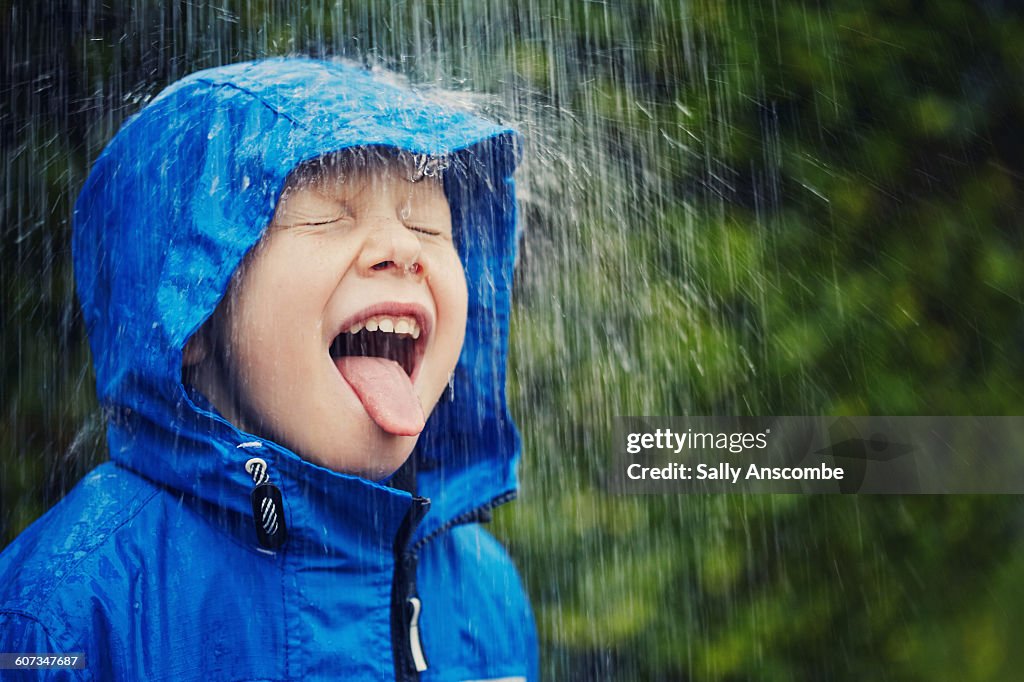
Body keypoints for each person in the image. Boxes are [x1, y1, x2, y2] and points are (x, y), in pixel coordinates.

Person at [0, 58, 537, 681]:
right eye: (330, 214)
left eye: (427, 224)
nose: (403, 248)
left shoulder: (485, 593)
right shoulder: (63, 617)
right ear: (194, 310)